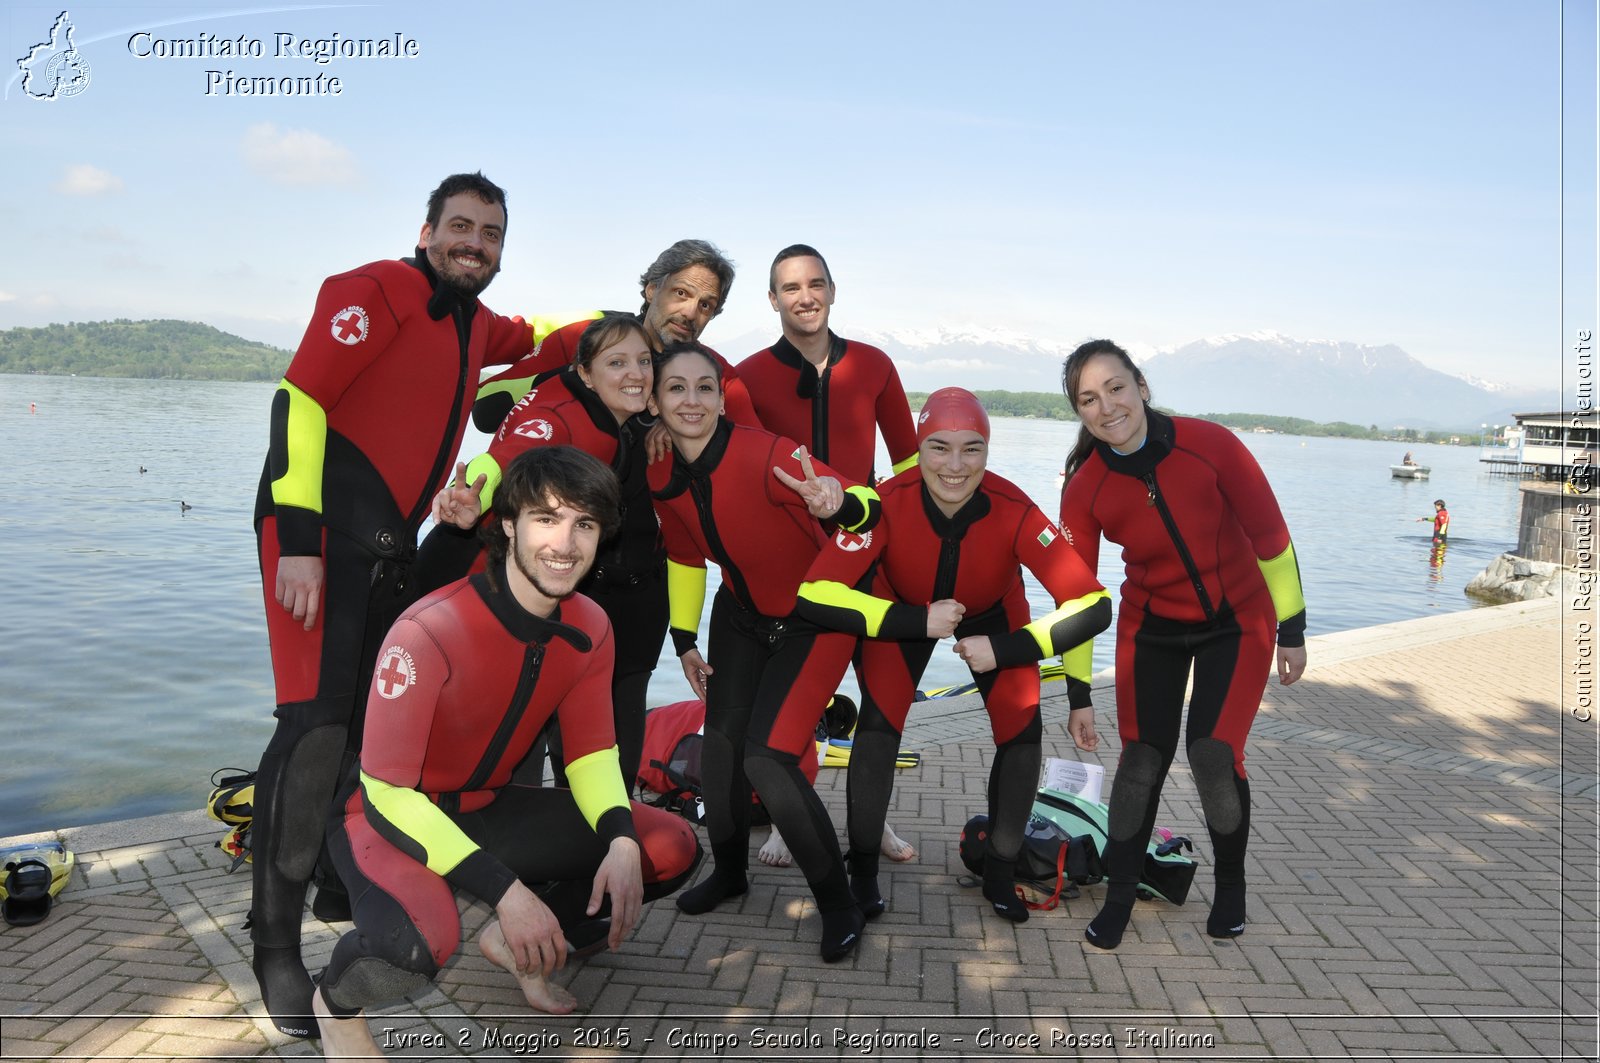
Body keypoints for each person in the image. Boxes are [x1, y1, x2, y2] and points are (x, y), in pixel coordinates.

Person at [249, 172, 537, 1038]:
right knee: (313, 733)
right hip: (316, 537)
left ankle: (341, 882)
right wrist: (300, 537)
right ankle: (273, 947)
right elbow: (299, 399)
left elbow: (553, 339)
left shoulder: (481, 322)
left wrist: (639, 318)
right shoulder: (373, 288)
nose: (473, 245)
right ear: (426, 231)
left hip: (387, 549)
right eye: (460, 227)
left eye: (490, 235)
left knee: (367, 730)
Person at [312, 447, 701, 1059]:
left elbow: (592, 753)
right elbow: (387, 791)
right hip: (388, 818)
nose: (565, 543)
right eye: (546, 519)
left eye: (585, 524)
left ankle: (515, 942)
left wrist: (622, 838)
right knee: (415, 948)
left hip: (488, 807)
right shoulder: (429, 629)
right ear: (509, 526)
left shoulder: (591, 624)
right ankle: (334, 1008)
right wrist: (509, 893)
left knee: (668, 848)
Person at [795, 388, 1112, 922]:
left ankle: (1001, 869)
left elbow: (1094, 603)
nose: (955, 466)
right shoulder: (887, 501)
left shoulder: (1013, 508)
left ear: (988, 452)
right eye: (939, 448)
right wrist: (914, 621)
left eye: (973, 449)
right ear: (919, 448)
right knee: (877, 729)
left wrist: (1008, 648)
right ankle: (864, 870)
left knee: (1022, 734)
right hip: (900, 613)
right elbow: (816, 593)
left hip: (995, 615)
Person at [1058, 339, 1307, 950]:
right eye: (1088, 399)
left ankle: (1230, 885)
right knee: (1141, 759)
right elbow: (1078, 599)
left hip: (1238, 619)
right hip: (1153, 627)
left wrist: (1292, 629)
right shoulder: (1084, 486)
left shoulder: (1212, 445)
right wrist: (1078, 694)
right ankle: (1119, 896)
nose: (1106, 406)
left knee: (1213, 753)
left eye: (1115, 388)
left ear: (1141, 386)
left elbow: (1272, 540)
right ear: (1080, 412)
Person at [647, 342, 880, 961]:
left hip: (814, 617)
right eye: (677, 389)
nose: (692, 400)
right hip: (740, 615)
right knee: (721, 749)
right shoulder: (660, 472)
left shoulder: (770, 454)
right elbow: (683, 555)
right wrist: (684, 638)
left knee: (769, 758)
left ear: (723, 397)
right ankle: (728, 873)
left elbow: (871, 510)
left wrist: (841, 502)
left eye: (705, 387)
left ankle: (839, 903)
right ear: (655, 400)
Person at [736, 243, 921, 868]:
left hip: (866, 553)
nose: (805, 296)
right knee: (799, 698)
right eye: (791, 287)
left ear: (833, 290)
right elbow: (732, 459)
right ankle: (794, 816)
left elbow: (911, 466)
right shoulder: (749, 375)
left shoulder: (872, 366)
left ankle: (876, 818)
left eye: (815, 283)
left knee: (881, 696)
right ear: (773, 300)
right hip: (792, 562)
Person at [424, 314, 661, 789]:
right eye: (617, 362)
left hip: (513, 586)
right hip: (464, 577)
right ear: (585, 372)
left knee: (511, 730)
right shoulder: (559, 417)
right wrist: (472, 495)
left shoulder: (611, 416)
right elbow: (508, 457)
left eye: (643, 361)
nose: (635, 373)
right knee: (459, 731)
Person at [470, 239, 759, 432]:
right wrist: (582, 379)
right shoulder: (585, 336)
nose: (690, 312)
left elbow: (754, 446)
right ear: (652, 289)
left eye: (705, 305)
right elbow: (485, 409)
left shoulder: (717, 376)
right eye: (681, 293)